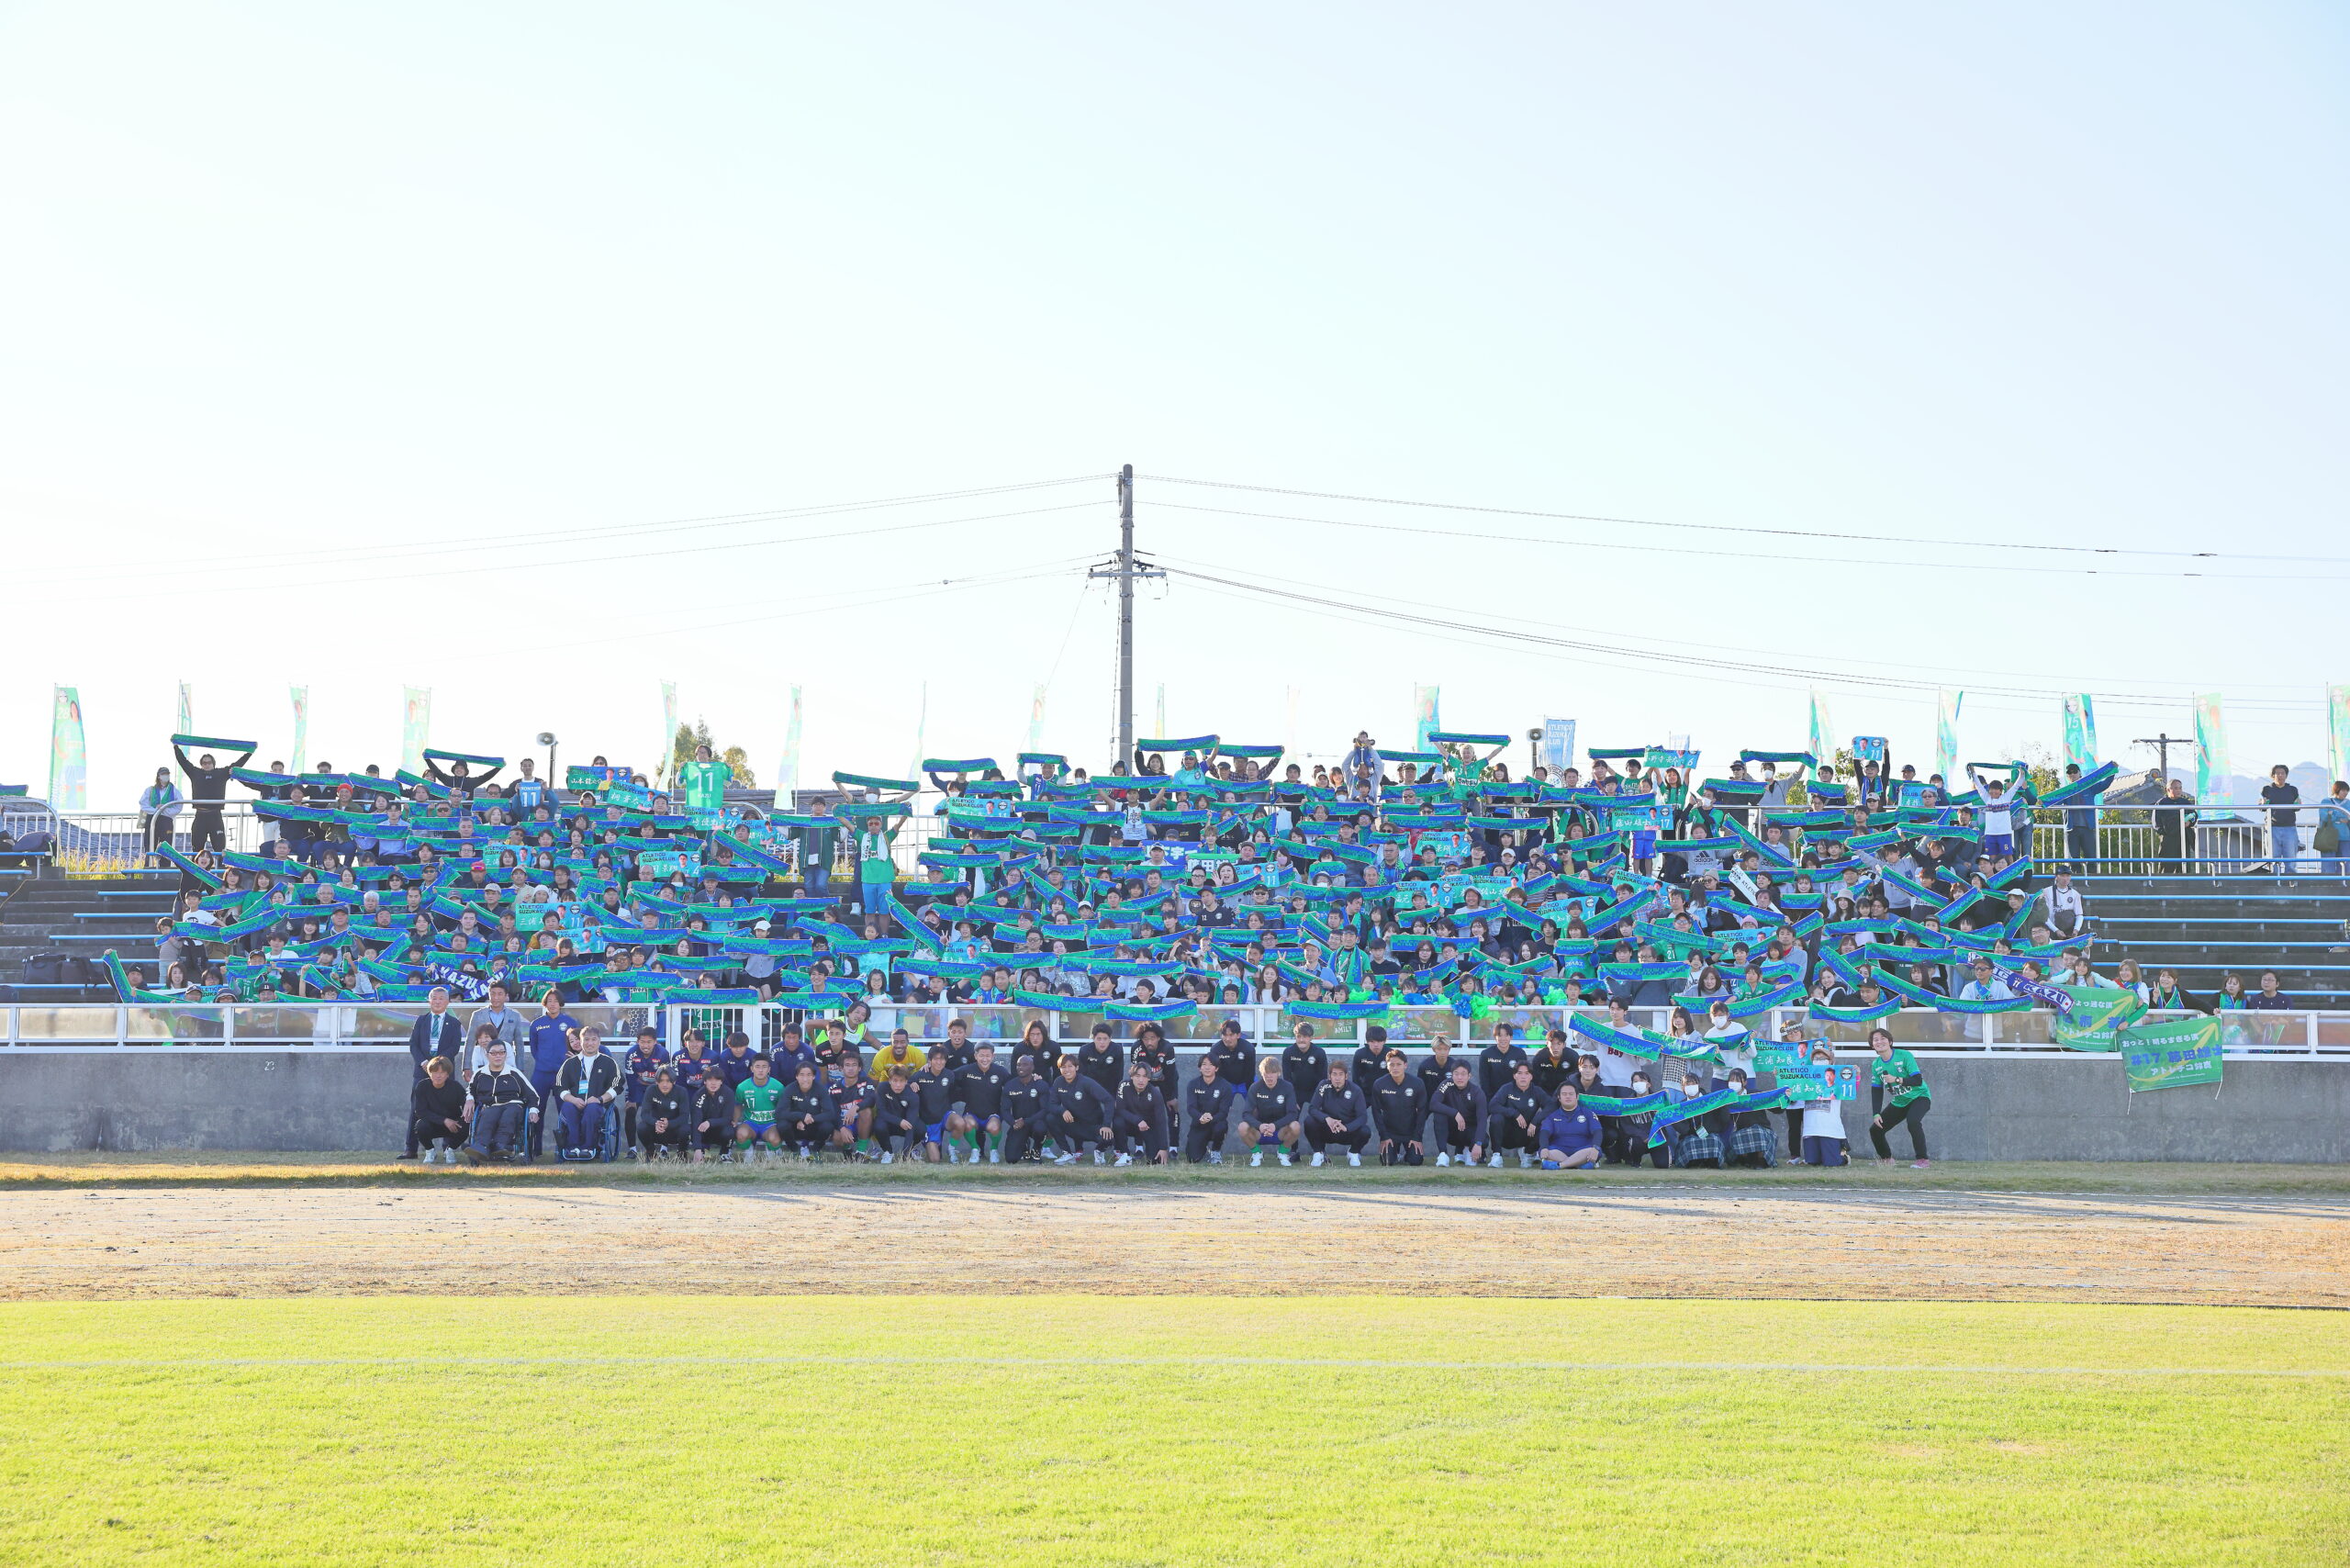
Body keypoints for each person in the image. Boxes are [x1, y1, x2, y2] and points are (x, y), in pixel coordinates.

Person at [400, 987, 464, 1159]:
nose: (437, 1001)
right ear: (429, 1001)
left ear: (447, 1002)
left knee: (449, 1109)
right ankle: (411, 1149)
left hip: (445, 1072)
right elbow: (413, 1044)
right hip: (422, 1071)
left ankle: (447, 1148)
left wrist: (438, 1065)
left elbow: (454, 1047)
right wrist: (424, 1062)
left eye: (441, 998)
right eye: (434, 998)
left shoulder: (454, 1023)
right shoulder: (421, 1020)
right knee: (416, 1109)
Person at [464, 1040, 539, 1164]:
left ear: (506, 1054)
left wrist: (533, 1110)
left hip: (513, 1105)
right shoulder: (480, 1074)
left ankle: (501, 1145)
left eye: (501, 1052)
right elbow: (470, 1090)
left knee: (509, 1114)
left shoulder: (514, 1073)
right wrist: (470, 1100)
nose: (498, 1056)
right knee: (488, 1114)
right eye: (494, 1053)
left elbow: (533, 1095)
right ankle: (480, 1147)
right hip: (492, 1105)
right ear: (487, 1055)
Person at [173, 740, 253, 853]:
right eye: (204, 763)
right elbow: (183, 761)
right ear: (201, 764)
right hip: (200, 815)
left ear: (213, 763)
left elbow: (237, 765)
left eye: (209, 762)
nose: (207, 764)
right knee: (197, 849)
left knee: (220, 849)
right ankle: (196, 870)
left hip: (215, 816)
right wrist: (176, 746)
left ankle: (220, 869)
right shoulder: (195, 773)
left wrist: (249, 753)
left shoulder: (221, 773)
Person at [1867, 1027, 1930, 1167]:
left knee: (1913, 1121)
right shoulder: (1876, 1064)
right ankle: (1887, 1160)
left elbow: (1917, 1080)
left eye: (1883, 1038)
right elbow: (1876, 1090)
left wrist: (1897, 1080)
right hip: (1900, 1101)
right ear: (1872, 1045)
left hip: (1919, 1096)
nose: (1879, 1042)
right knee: (1876, 1129)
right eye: (1875, 1040)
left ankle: (1923, 1160)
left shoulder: (1904, 1055)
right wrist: (1876, 1113)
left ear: (1890, 1041)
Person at [554, 1025, 621, 1158]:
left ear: (599, 1041)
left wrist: (599, 1099)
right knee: (567, 1107)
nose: (590, 1043)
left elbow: (617, 1085)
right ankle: (572, 1148)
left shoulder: (609, 1062)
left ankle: (588, 1148)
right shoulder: (570, 1063)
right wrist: (573, 1099)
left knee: (592, 1109)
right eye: (586, 1040)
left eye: (593, 1040)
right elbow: (559, 1086)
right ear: (581, 1041)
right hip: (575, 1102)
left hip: (597, 1104)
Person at [946, 1041, 1011, 1164]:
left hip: (992, 1115)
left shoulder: (1000, 1071)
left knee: (994, 1127)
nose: (984, 1059)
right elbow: (948, 1076)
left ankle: (993, 1150)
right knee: (968, 1124)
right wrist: (928, 1069)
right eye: (981, 1055)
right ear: (975, 1056)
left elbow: (1014, 1084)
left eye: (987, 1056)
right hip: (972, 1114)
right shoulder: (966, 1070)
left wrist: (1034, 1078)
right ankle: (975, 1149)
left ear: (993, 1056)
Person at [1046, 1054, 1115, 1165]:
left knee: (1109, 1138)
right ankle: (1067, 1154)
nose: (1067, 1070)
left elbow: (1109, 1100)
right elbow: (1051, 1104)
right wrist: (1062, 1111)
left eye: (1070, 1066)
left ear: (1076, 1067)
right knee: (1050, 1118)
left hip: (1093, 1127)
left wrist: (1106, 1125)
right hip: (1074, 1125)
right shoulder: (1058, 1082)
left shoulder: (1086, 1082)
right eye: (1063, 1067)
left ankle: (1099, 1152)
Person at [1303, 1061, 1372, 1167]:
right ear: (1329, 1076)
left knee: (1365, 1131)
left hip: (1346, 1131)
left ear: (1346, 1076)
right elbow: (1312, 1108)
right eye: (1334, 1074)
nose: (1337, 1078)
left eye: (1341, 1074)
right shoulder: (1323, 1086)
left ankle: (1353, 1153)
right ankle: (1319, 1152)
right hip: (1328, 1129)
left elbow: (1362, 1117)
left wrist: (1347, 1127)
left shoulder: (1355, 1090)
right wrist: (1327, 1119)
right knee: (1309, 1121)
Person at [1238, 1057, 1302, 1168]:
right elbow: (1246, 1114)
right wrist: (1260, 1125)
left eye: (1273, 1072)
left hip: (1280, 1130)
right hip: (1260, 1131)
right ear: (1261, 1074)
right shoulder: (1255, 1087)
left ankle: (1282, 1153)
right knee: (1242, 1127)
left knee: (1296, 1126)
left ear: (1278, 1073)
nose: (1269, 1076)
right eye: (1266, 1073)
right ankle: (1257, 1153)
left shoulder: (1287, 1087)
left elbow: (1293, 1113)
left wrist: (1275, 1125)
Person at [1484, 1061, 1547, 1169]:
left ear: (1531, 1076)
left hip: (1526, 1134)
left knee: (1545, 1123)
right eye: (1520, 1073)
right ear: (1514, 1076)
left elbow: (1551, 1107)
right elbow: (1493, 1106)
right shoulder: (1507, 1088)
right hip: (1506, 1135)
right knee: (1496, 1118)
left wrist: (1536, 1120)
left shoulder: (1537, 1091)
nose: (1523, 1077)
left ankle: (1527, 1153)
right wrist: (1514, 1113)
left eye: (1526, 1073)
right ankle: (1497, 1156)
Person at [1793, 1045, 1848, 1166]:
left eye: (1823, 1058)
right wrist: (1780, 1075)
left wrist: (1856, 1075)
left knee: (1831, 1163)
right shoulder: (1804, 1078)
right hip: (1810, 1129)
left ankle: (1844, 1157)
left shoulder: (1838, 1078)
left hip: (1830, 1129)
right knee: (1813, 1162)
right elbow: (1793, 1095)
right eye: (1816, 1059)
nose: (1819, 1061)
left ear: (1831, 1061)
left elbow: (1850, 1090)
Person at [1370, 1049, 1426, 1167]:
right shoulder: (1379, 1084)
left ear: (1405, 1065)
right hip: (1390, 1134)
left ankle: (1405, 1155)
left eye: (1399, 1064)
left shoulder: (1417, 1083)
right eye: (1392, 1065)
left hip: (1410, 1133)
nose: (1395, 1068)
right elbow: (1376, 1111)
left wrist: (1417, 1137)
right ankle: (1394, 1153)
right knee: (1387, 1162)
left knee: (1416, 1161)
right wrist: (1384, 1136)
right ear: (1387, 1066)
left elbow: (1422, 1112)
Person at [408, 1055, 468, 1165]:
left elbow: (465, 1106)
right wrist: (444, 1120)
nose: (438, 1076)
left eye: (442, 1073)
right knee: (420, 1125)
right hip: (432, 1124)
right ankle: (430, 1151)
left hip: (453, 1124)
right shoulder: (422, 1086)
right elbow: (420, 1111)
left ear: (447, 1074)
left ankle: (450, 1150)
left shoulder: (455, 1087)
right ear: (429, 1073)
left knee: (467, 1124)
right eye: (435, 1072)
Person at [1431, 1059, 1487, 1168]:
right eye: (1456, 1074)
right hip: (1451, 1132)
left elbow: (1482, 1120)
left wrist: (1478, 1143)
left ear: (1469, 1076)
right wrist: (1455, 1113)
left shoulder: (1477, 1092)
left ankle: (1469, 1150)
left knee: (1484, 1139)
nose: (1459, 1077)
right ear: (1452, 1075)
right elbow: (1433, 1104)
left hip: (1469, 1132)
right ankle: (1443, 1155)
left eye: (1463, 1074)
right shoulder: (1446, 1084)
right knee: (1439, 1114)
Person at [1182, 1052, 1237, 1164]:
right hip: (1199, 1123)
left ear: (1216, 1068)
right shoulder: (1193, 1084)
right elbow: (1191, 1107)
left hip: (1216, 1123)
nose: (1207, 1067)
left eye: (1211, 1064)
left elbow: (1224, 1112)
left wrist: (1211, 1118)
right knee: (1192, 1159)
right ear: (1199, 1068)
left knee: (1221, 1127)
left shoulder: (1225, 1086)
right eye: (1204, 1064)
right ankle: (1204, 1149)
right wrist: (1201, 1117)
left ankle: (1216, 1151)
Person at [1113, 1061, 1170, 1166]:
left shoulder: (1155, 1093)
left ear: (1149, 1078)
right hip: (1130, 1124)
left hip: (1147, 1128)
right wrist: (1138, 1120)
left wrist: (1163, 1148)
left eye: (1144, 1076)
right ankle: (1125, 1155)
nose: (1141, 1080)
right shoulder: (1123, 1085)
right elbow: (1120, 1109)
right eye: (1137, 1076)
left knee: (1154, 1162)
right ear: (1132, 1076)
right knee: (1117, 1122)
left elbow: (1161, 1122)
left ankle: (1152, 1153)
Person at [733, 1052, 787, 1159]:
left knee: (775, 1139)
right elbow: (738, 1105)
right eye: (757, 1067)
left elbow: (783, 1108)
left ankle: (772, 1149)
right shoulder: (742, 1087)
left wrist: (781, 1125)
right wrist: (735, 1120)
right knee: (740, 1135)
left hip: (770, 1124)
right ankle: (749, 1150)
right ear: (752, 1069)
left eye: (764, 1067)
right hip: (750, 1122)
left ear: (769, 1069)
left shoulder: (778, 1086)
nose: (761, 1070)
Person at [1536, 1083, 1603, 1170]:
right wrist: (1544, 1147)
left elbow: (1598, 1131)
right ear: (1559, 1098)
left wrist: (1595, 1148)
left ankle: (1559, 1166)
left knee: (1593, 1150)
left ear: (1577, 1097)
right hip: (1559, 1150)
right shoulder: (1552, 1116)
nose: (1568, 1096)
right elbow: (1544, 1133)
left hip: (1583, 1149)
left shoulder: (1588, 1113)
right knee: (1546, 1151)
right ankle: (1580, 1164)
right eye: (1564, 1094)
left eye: (1571, 1094)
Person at [1000, 1053, 1052, 1163]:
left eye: (1025, 1065)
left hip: (1035, 1123)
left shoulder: (1041, 1084)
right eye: (1018, 1065)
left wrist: (1026, 1121)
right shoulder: (1010, 1086)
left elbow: (1045, 1110)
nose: (1021, 1067)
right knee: (1011, 1159)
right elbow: (1004, 1110)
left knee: (1040, 1128)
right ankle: (1025, 1145)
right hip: (1018, 1125)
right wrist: (1013, 1123)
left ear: (1032, 1067)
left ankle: (1036, 1150)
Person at [779, 1062, 835, 1159]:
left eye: (809, 1075)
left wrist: (810, 1118)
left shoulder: (821, 1089)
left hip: (814, 1127)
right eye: (801, 1075)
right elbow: (779, 1113)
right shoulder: (790, 1089)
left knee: (828, 1126)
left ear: (814, 1076)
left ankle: (815, 1150)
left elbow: (830, 1113)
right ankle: (794, 1150)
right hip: (796, 1127)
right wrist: (800, 1116)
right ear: (796, 1076)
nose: (805, 1079)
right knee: (782, 1125)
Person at [870, 1064, 923, 1163]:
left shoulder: (913, 1096)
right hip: (889, 1122)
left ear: (906, 1081)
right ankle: (888, 1152)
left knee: (921, 1129)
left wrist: (905, 1155)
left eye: (901, 1081)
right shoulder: (882, 1087)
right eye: (895, 1081)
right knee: (878, 1126)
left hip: (905, 1125)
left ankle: (910, 1151)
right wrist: (899, 1121)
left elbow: (910, 1125)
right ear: (889, 1080)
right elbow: (881, 1112)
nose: (898, 1085)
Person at [636, 1067, 690, 1160]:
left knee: (686, 1129)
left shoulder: (682, 1092)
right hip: (656, 1129)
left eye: (668, 1081)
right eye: (661, 1081)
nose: (665, 1084)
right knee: (641, 1127)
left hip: (674, 1130)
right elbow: (644, 1114)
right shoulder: (651, 1090)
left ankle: (682, 1154)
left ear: (674, 1082)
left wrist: (669, 1123)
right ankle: (651, 1153)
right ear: (656, 1081)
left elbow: (684, 1116)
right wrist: (656, 1123)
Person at [688, 1064, 736, 1162]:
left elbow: (727, 1118)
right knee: (692, 1128)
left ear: (721, 1081)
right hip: (704, 1131)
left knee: (730, 1130)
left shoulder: (728, 1093)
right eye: (710, 1080)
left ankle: (725, 1152)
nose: (713, 1083)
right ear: (705, 1081)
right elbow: (696, 1121)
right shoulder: (699, 1095)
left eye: (717, 1080)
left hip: (720, 1130)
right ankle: (701, 1151)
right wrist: (696, 1149)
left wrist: (710, 1122)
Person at [2260, 765, 2302, 873]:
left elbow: (2297, 807)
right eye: (2277, 773)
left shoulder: (2292, 790)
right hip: (2272, 827)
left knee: (2291, 859)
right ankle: (2275, 883)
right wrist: (2262, 804)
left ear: (2286, 775)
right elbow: (2262, 808)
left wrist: (2298, 805)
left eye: (2282, 773)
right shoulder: (2267, 789)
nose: (2280, 775)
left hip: (2289, 827)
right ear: (2273, 775)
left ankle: (2292, 884)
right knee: (2273, 859)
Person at [138, 767, 183, 863]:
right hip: (152, 818)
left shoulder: (174, 790)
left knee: (166, 845)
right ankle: (148, 868)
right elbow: (143, 804)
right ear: (158, 776)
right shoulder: (150, 790)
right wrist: (156, 810)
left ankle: (164, 869)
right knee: (150, 844)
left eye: (167, 774)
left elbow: (179, 806)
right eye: (163, 774)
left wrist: (164, 810)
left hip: (166, 820)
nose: (165, 776)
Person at [2153, 777, 2196, 872]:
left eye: (2180, 788)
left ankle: (2184, 885)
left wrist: (2189, 823)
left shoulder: (2185, 802)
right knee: (2166, 864)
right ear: (2168, 790)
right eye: (2176, 788)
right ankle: (2164, 885)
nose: (2179, 790)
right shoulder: (2162, 803)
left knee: (2184, 863)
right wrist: (2165, 832)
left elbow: (2194, 815)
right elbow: (2156, 823)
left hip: (2184, 836)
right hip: (2168, 838)